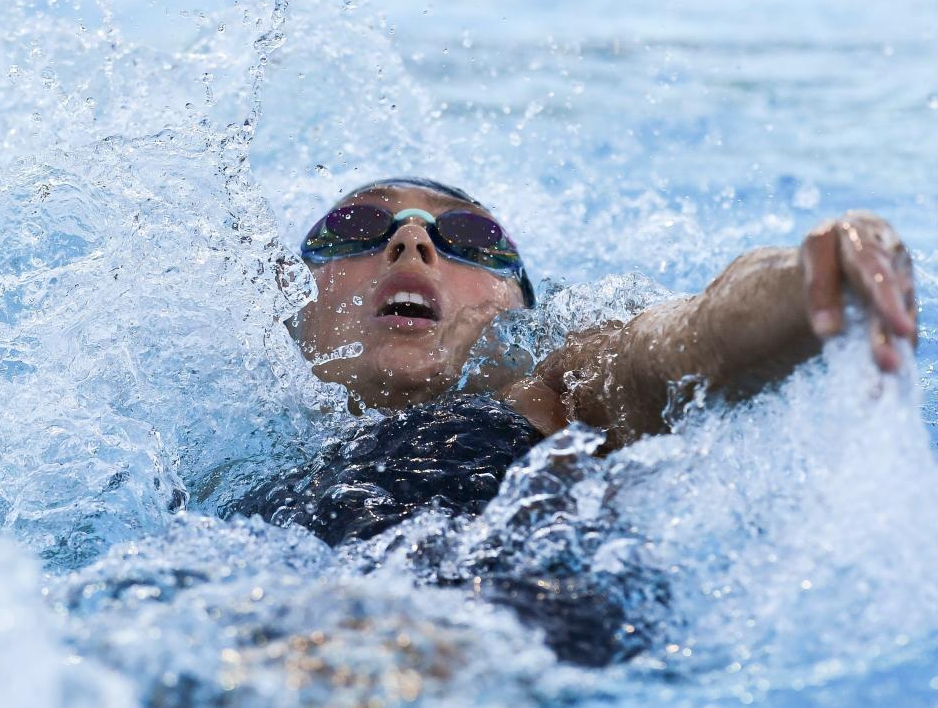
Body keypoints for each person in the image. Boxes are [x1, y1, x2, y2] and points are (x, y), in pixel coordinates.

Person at [240, 175, 917, 664]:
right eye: (355, 229)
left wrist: (809, 280)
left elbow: (684, 343)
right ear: (293, 313)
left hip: (496, 635)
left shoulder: (555, 391)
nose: (413, 241)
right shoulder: (221, 446)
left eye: (472, 238)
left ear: (517, 310)